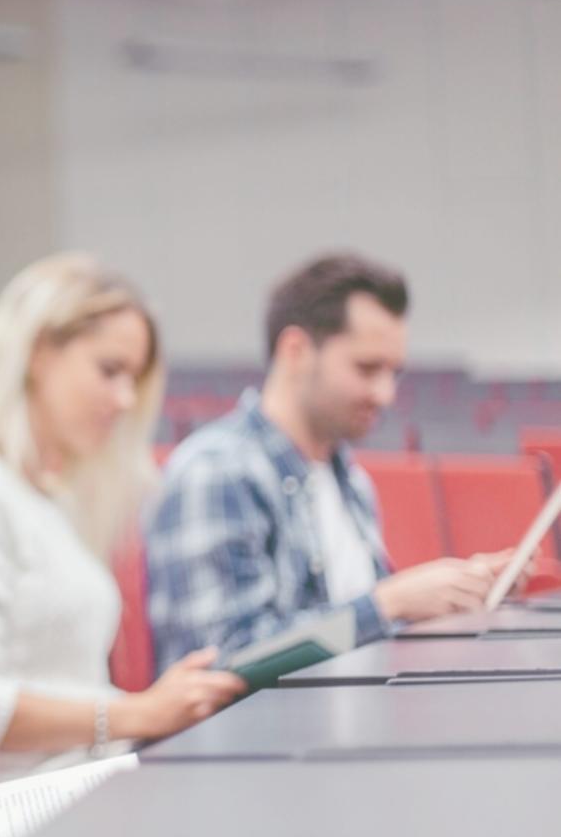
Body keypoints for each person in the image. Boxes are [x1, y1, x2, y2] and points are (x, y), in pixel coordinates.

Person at [0, 255, 245, 794]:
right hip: (29, 810)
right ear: (37, 354)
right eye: (109, 370)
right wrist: (140, 714)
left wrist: (158, 711)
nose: (125, 400)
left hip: (93, 783)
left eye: (134, 379)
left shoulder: (45, 496)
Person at [145, 253, 512, 674]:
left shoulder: (349, 480)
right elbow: (220, 667)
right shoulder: (217, 471)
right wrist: (389, 602)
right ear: (296, 351)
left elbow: (348, 635)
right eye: (366, 368)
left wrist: (453, 593)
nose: (385, 394)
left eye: (393, 372)